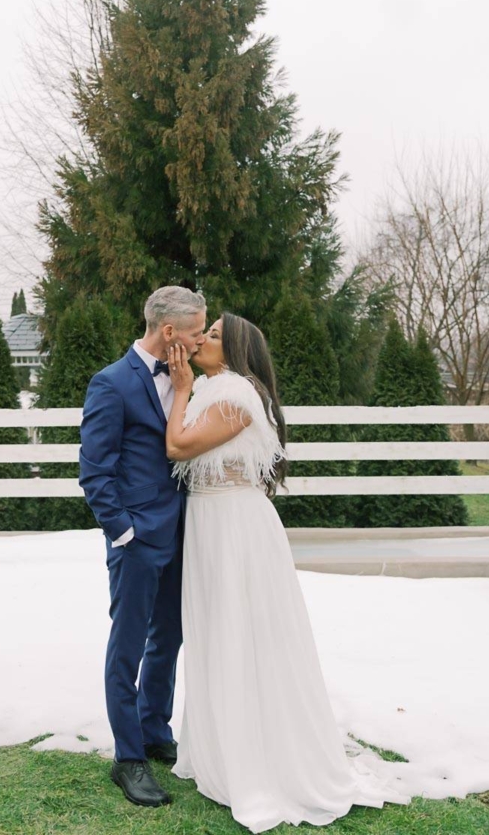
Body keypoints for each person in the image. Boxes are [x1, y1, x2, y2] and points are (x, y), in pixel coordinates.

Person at [164, 312, 410, 833]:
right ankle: (221, 747)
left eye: (211, 336)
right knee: (215, 632)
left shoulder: (235, 395)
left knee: (243, 635)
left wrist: (182, 386)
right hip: (211, 523)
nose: (202, 341)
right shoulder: (218, 389)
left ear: (232, 350)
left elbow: (178, 446)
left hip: (236, 529)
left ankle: (258, 758)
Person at [78, 285, 207, 807]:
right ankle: (128, 757)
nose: (201, 341)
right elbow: (95, 470)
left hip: (182, 534)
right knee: (128, 645)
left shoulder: (186, 380)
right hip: (136, 540)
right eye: (196, 332)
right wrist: (123, 532)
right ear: (170, 331)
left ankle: (155, 730)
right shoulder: (110, 384)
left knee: (169, 638)